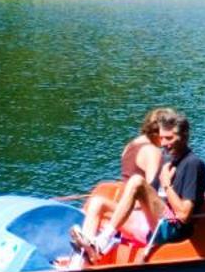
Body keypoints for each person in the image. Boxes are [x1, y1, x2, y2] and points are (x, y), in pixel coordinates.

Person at [84, 110, 205, 260]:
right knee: (98, 202)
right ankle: (83, 256)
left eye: (169, 138)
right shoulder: (169, 161)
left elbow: (184, 216)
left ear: (185, 136)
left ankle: (104, 241)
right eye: (162, 138)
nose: (164, 144)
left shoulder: (192, 164)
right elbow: (151, 197)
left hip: (172, 228)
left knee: (137, 181)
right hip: (154, 222)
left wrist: (167, 185)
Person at [74, 108, 173, 253]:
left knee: (97, 202)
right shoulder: (152, 152)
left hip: (125, 210)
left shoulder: (130, 146)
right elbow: (150, 191)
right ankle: (91, 247)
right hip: (141, 216)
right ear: (161, 132)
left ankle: (85, 252)